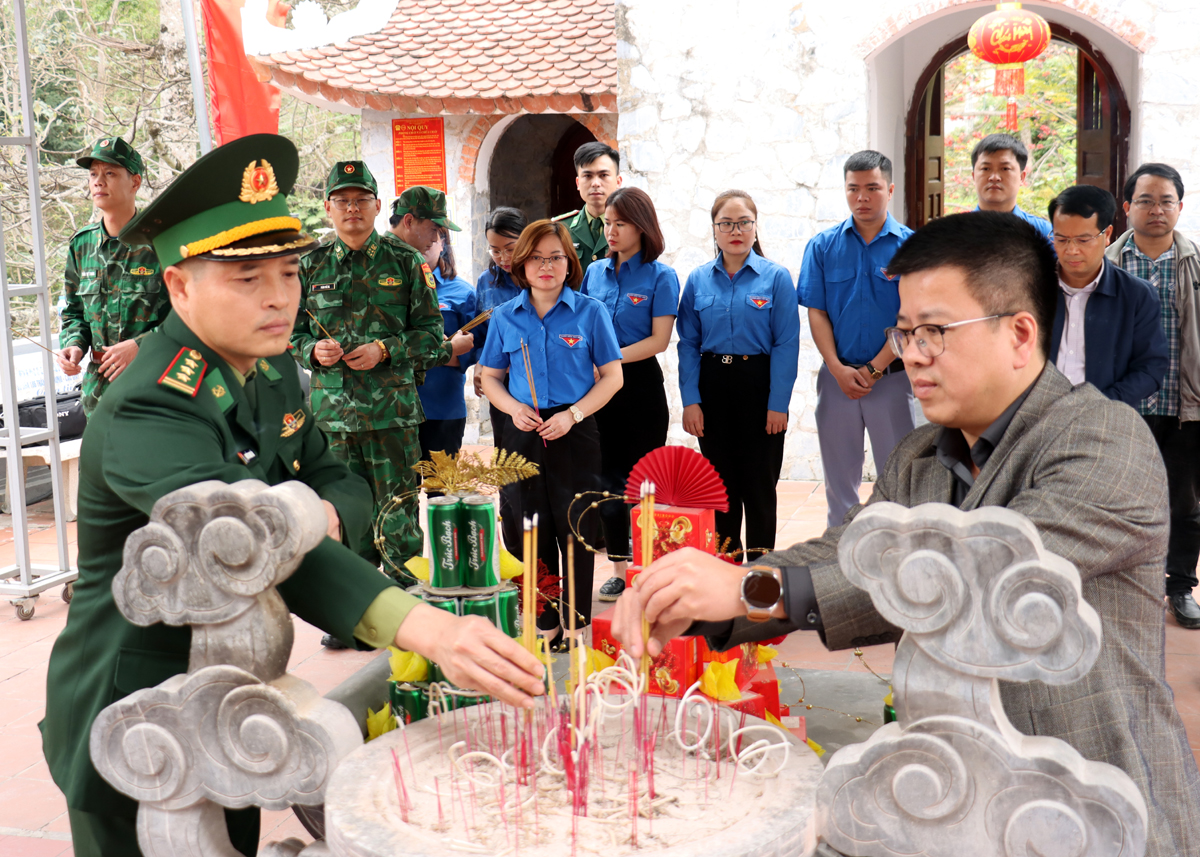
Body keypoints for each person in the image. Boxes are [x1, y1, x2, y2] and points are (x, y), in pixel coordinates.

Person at [614, 211, 1200, 857]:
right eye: (905, 330)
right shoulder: (922, 453)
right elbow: (850, 550)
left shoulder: (1103, 438)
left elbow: (971, 571)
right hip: (956, 802)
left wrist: (753, 589)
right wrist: (696, 594)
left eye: (935, 331)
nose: (912, 353)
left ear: (1020, 332)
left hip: (1098, 809)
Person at [41, 134, 545, 857]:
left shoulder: (270, 373)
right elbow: (247, 547)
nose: (280, 296)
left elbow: (340, 477)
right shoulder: (150, 405)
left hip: (232, 699)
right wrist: (428, 628)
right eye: (247, 280)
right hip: (138, 712)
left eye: (287, 271)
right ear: (180, 286)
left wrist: (320, 512)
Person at [292, 169, 473, 601]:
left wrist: (385, 350)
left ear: (377, 206)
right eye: (342, 201)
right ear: (328, 208)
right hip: (333, 418)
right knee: (342, 515)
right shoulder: (308, 266)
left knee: (399, 515)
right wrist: (311, 351)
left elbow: (432, 338)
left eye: (361, 200)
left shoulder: (406, 262)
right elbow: (290, 332)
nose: (351, 208)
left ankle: (404, 608)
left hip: (392, 415)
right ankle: (354, 606)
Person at [478, 219, 623, 647]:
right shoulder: (505, 316)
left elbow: (612, 377)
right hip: (522, 431)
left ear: (569, 263)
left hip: (574, 430)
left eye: (556, 257)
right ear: (521, 265)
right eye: (537, 258)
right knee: (530, 526)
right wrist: (513, 409)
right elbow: (490, 378)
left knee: (577, 526)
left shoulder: (590, 311)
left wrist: (574, 414)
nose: (547, 266)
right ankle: (544, 621)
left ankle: (577, 623)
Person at [676, 190, 800, 560]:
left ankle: (761, 575)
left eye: (743, 222)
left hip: (758, 386)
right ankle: (727, 573)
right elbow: (687, 344)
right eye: (726, 223)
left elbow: (786, 344)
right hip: (712, 387)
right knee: (720, 489)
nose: (735, 230)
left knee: (760, 488)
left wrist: (778, 404)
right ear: (714, 230)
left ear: (755, 227)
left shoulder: (776, 278)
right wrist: (690, 401)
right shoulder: (698, 280)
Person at [799, 150, 915, 529]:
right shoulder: (822, 246)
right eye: (853, 189)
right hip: (838, 381)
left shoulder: (912, 249)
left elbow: (911, 316)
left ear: (890, 189)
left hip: (895, 380)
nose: (862, 198)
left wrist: (874, 369)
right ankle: (840, 559)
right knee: (839, 483)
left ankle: (897, 562)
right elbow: (816, 310)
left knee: (898, 480)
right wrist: (836, 368)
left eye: (872, 188)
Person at [1107, 163, 1200, 629]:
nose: (1156, 209)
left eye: (1166, 201)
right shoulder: (1106, 265)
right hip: (1125, 404)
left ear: (1180, 207)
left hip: (1184, 405)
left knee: (1184, 502)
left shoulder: (1197, 265)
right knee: (1120, 499)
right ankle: (1123, 587)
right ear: (1127, 208)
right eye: (1145, 200)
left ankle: (1179, 587)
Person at [580, 188, 680, 600]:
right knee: (605, 483)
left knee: (641, 483)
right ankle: (620, 569)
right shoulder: (593, 272)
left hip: (640, 390)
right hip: (599, 392)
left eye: (620, 223)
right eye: (607, 223)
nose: (612, 231)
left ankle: (648, 568)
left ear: (641, 226)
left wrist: (609, 359)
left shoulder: (661, 276)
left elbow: (659, 340)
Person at [57, 136, 170, 416]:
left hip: (156, 386)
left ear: (135, 182)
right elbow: (74, 312)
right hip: (99, 393)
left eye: (110, 173)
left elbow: (191, 317)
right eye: (93, 174)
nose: (98, 181)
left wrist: (140, 346)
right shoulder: (81, 245)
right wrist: (73, 345)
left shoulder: (163, 241)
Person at [1046, 184, 1168, 407]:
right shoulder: (1033, 288)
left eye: (1083, 240)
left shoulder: (1136, 295)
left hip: (1104, 416)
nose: (1071, 250)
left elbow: (1150, 368)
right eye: (1061, 239)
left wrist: (1100, 404)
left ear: (1108, 234)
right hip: (1036, 416)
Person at [473, 206, 529, 555]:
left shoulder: (541, 273)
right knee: (507, 467)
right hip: (501, 389)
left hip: (540, 386)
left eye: (510, 247)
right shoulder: (486, 282)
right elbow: (481, 338)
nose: (503, 257)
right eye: (495, 249)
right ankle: (515, 553)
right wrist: (480, 366)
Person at [414, 226, 477, 461]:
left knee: (441, 493)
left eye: (432, 240)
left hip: (443, 408)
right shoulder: (391, 292)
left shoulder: (464, 293)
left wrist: (439, 352)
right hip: (398, 410)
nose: (423, 247)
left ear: (443, 243)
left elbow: (476, 348)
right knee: (401, 493)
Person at [971, 133, 1054, 242]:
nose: (994, 177)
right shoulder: (954, 230)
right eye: (986, 169)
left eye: (1005, 168)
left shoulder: (1042, 232)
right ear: (973, 176)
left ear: (1022, 177)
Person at [559, 141, 622, 271]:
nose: (595, 183)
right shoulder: (560, 228)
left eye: (603, 175)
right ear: (577, 183)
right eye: (587, 176)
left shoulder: (632, 227)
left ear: (618, 181)